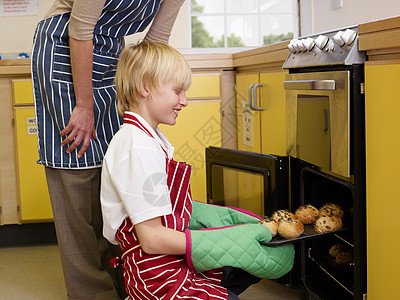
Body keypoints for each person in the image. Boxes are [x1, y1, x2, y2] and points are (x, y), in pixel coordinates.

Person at [100, 41, 295, 300]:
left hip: (172, 262)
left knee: (248, 260)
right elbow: (151, 240)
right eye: (177, 91)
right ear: (145, 87)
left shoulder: (149, 138)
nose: (184, 101)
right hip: (157, 278)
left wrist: (228, 226)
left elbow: (168, 211)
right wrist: (224, 239)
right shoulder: (137, 146)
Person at [31, 1, 185, 299]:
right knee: (77, 164)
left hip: (114, 53)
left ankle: (125, 282)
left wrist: (148, 111)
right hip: (66, 47)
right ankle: (91, 292)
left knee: (118, 166)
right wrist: (84, 105)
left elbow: (155, 42)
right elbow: (81, 27)